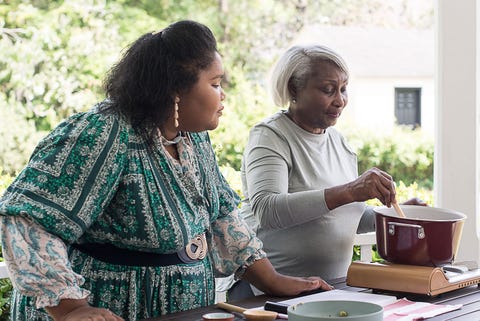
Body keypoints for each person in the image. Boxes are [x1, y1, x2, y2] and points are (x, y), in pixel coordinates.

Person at [0, 21, 333, 321]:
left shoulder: (193, 138)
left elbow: (221, 217)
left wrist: (271, 280)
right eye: (215, 83)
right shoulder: (104, 132)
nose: (223, 94)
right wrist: (72, 307)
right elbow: (26, 218)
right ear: (176, 90)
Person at [236, 44, 427, 293]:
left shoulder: (340, 143)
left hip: (331, 290)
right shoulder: (271, 136)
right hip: (267, 295)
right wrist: (350, 190)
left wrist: (394, 215)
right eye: (328, 90)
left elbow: (343, 217)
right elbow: (268, 211)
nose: (340, 100)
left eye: (344, 89)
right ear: (294, 88)